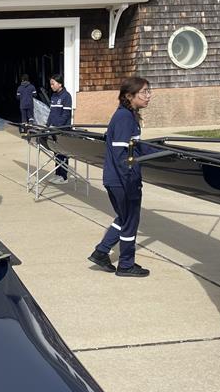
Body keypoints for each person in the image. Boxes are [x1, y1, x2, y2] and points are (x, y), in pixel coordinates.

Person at [87, 77, 154, 277]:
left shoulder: (127, 115)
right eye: (143, 92)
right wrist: (130, 181)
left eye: (149, 91)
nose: (148, 96)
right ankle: (126, 264)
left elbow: (134, 147)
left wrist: (160, 151)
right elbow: (121, 155)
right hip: (122, 180)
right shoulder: (125, 117)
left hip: (115, 179)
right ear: (129, 96)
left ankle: (101, 252)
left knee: (124, 218)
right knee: (130, 221)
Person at [47, 74, 73, 183]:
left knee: (63, 153)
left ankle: (64, 176)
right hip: (53, 129)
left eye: (53, 84)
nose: (51, 86)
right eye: (51, 84)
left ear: (60, 84)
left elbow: (66, 115)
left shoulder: (66, 96)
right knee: (56, 152)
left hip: (63, 129)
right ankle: (58, 174)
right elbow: (52, 113)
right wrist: (48, 125)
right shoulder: (53, 96)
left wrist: (57, 126)